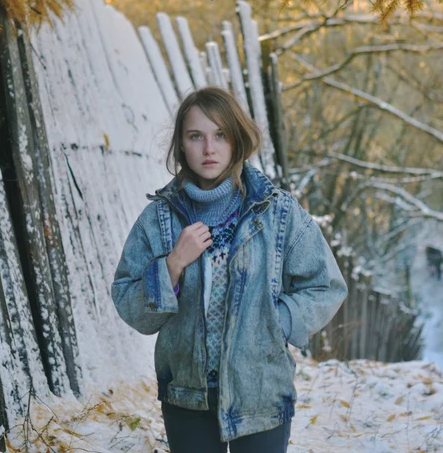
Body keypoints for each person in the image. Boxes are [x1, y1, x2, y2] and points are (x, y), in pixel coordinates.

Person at [111, 87, 348, 453]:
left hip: (261, 392)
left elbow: (326, 286)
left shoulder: (277, 212)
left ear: (237, 140)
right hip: (187, 395)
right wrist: (173, 264)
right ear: (181, 146)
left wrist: (276, 321)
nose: (209, 149)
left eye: (220, 134)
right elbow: (130, 303)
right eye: (196, 136)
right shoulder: (159, 219)